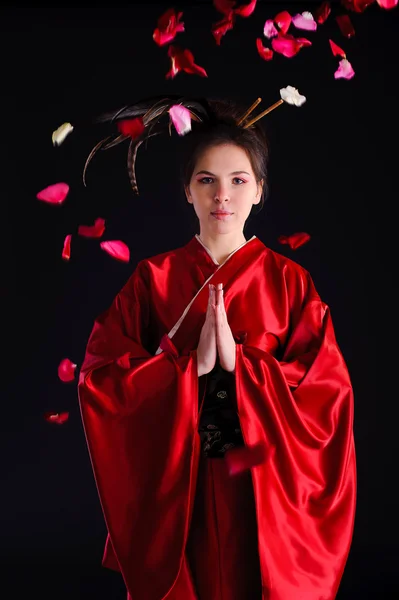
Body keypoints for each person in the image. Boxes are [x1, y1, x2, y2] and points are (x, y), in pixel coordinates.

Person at [77, 95, 356, 600]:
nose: (221, 195)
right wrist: (189, 368)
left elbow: (327, 394)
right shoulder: (153, 279)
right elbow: (101, 377)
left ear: (260, 190)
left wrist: (242, 366)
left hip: (259, 483)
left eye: (238, 180)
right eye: (206, 179)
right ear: (187, 190)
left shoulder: (290, 282)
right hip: (182, 480)